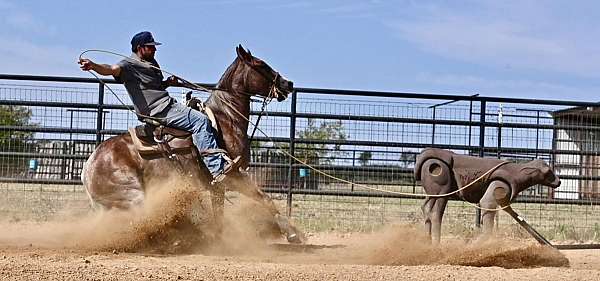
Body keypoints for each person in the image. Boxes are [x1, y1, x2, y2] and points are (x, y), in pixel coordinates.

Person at [79, 31, 238, 184]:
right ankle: (217, 169)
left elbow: (153, 87)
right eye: (150, 46)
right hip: (159, 110)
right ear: (140, 48)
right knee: (201, 121)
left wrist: (167, 83)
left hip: (167, 105)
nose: (154, 49)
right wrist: (93, 66)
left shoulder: (151, 63)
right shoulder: (128, 64)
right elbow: (111, 69)